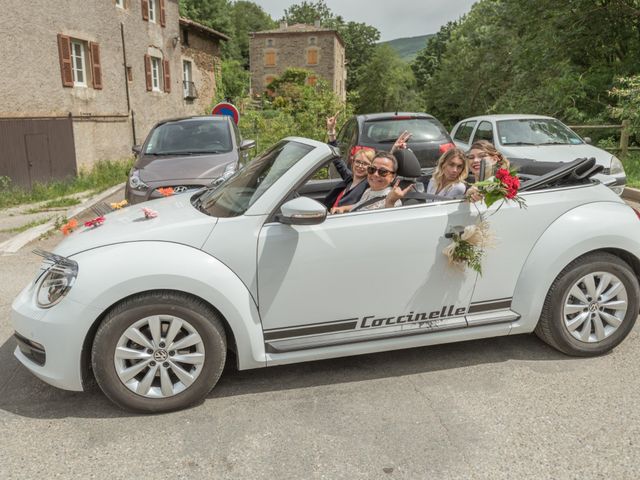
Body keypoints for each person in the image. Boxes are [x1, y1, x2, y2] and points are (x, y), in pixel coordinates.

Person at [331, 152, 413, 213]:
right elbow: (359, 205)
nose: (375, 174)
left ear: (393, 177)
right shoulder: (370, 190)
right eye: (372, 169)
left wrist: (390, 203)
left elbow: (390, 228)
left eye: (383, 171)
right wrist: (343, 208)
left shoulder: (393, 200)